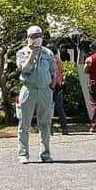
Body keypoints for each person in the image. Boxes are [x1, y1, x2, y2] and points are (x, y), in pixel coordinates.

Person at [15, 26, 56, 163]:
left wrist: (51, 87)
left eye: (39, 35)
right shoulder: (22, 52)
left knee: (45, 123)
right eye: (33, 36)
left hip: (45, 90)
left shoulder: (48, 53)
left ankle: (45, 154)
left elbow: (53, 71)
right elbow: (25, 70)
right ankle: (23, 154)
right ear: (28, 38)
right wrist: (32, 52)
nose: (37, 38)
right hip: (28, 89)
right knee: (24, 123)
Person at [52, 46, 69, 135]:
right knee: (60, 108)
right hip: (59, 85)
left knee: (48, 109)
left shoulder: (50, 61)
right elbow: (62, 72)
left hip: (50, 86)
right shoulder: (59, 61)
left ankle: (49, 129)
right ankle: (64, 128)